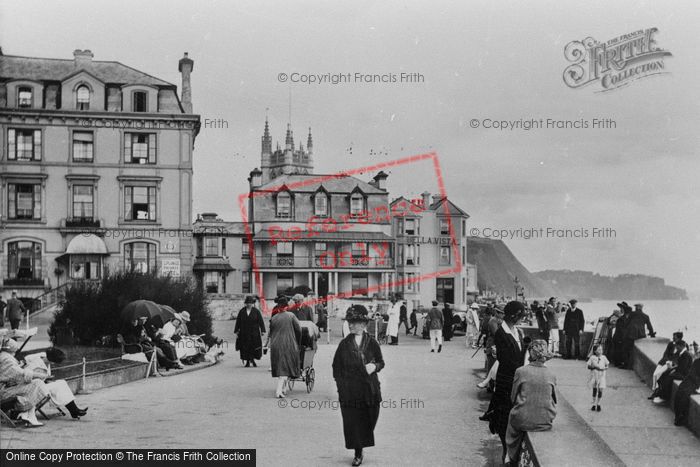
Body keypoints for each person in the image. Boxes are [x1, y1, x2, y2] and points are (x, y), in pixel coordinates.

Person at [332, 305, 385, 467]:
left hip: (370, 391)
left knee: (370, 419)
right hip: (350, 392)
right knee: (353, 422)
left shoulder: (372, 343)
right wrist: (342, 387)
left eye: (354, 322)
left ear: (363, 324)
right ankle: (358, 452)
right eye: (350, 322)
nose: (350, 325)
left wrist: (374, 367)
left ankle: (361, 443)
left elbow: (381, 362)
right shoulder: (344, 344)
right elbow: (336, 367)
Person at [0, 336, 87, 426]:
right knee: (58, 384)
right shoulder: (32, 361)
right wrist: (41, 376)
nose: (15, 353)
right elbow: (21, 374)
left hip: (21, 383)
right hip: (12, 388)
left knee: (60, 383)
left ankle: (74, 410)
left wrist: (43, 377)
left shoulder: (10, 358)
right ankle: (74, 410)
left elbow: (19, 372)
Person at [485, 301, 529, 464]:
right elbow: (506, 360)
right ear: (514, 316)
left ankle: (510, 452)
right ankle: (506, 451)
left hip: (516, 377)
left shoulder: (518, 331)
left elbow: (519, 355)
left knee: (513, 415)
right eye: (521, 316)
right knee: (505, 417)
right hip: (506, 380)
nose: (522, 319)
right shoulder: (501, 334)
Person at [504, 339, 557, 465]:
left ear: (530, 354)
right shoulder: (552, 374)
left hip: (523, 419)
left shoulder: (521, 371)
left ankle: (510, 456)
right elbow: (553, 399)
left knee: (512, 420)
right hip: (545, 421)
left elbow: (513, 397)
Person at [269, 306, 302, 398]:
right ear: (286, 307)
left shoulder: (274, 318)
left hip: (275, 344)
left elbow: (271, 332)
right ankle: (279, 391)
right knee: (285, 367)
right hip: (288, 344)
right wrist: (298, 341)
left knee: (281, 366)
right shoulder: (291, 315)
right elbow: (299, 329)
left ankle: (284, 388)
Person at [234, 296, 266, 368]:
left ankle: (253, 360)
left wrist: (263, 330)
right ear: (246, 303)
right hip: (244, 333)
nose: (249, 304)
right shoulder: (242, 311)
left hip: (254, 333)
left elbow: (260, 321)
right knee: (245, 347)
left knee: (253, 346)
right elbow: (238, 321)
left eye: (250, 303)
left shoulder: (256, 311)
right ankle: (248, 361)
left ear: (252, 304)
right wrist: (236, 330)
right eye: (248, 303)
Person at [673, 357, 700, 426]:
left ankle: (680, 417)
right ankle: (679, 416)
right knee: (682, 391)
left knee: (684, 393)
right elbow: (692, 373)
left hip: (695, 382)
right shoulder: (697, 361)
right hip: (692, 381)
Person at [586, 344, 609, 411]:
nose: (601, 351)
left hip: (601, 375)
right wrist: (594, 367)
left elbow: (607, 365)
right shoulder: (592, 357)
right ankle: (593, 403)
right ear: (595, 351)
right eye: (599, 349)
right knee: (595, 389)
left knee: (600, 389)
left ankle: (598, 403)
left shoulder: (604, 357)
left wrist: (604, 368)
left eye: (601, 349)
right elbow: (588, 366)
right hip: (595, 375)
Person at [612, 302, 632, 367]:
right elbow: (621, 329)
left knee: (618, 350)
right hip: (618, 337)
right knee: (618, 350)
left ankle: (618, 362)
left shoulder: (622, 318)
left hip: (619, 337)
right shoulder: (621, 319)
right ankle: (617, 363)